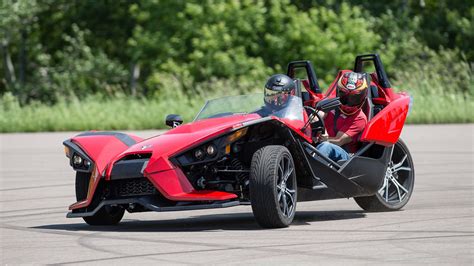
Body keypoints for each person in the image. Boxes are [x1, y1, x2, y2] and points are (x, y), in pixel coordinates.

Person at [316, 71, 369, 162]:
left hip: (345, 157)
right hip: (321, 145)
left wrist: (324, 138)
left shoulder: (360, 118)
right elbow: (318, 115)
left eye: (354, 98)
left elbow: (339, 140)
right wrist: (314, 119)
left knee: (326, 146)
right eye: (344, 96)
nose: (348, 103)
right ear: (338, 92)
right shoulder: (331, 104)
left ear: (362, 97)